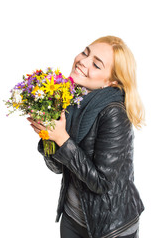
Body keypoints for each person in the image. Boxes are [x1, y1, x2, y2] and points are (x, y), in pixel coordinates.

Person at [27, 36, 145, 238]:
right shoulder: (72, 100)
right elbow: (57, 167)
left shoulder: (114, 113)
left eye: (96, 64)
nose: (83, 61)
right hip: (73, 219)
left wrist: (62, 139)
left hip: (110, 229)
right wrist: (48, 137)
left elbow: (101, 183)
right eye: (85, 52)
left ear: (111, 82)